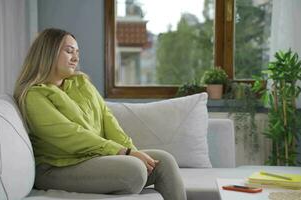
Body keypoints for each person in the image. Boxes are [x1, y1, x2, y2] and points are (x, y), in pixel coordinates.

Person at [14, 28, 186, 200]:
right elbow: (71, 136)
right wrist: (124, 154)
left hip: (93, 158)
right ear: (48, 53)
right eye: (69, 51)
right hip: (57, 167)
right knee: (135, 170)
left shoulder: (82, 83)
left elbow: (107, 119)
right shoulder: (34, 95)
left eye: (77, 52)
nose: (76, 58)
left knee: (165, 161)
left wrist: (131, 150)